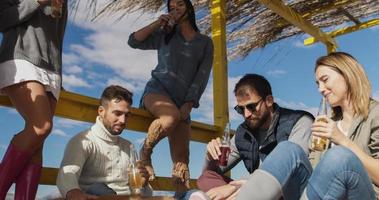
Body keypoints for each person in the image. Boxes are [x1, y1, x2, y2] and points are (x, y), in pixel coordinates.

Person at [236, 52, 379, 200]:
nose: (320, 89)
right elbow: (314, 171)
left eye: (325, 80)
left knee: (339, 156)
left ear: (348, 75)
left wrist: (343, 141)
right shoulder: (329, 121)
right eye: (318, 84)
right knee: (288, 148)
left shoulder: (375, 114)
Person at [128, 0, 213, 196]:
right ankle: (145, 153)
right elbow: (133, 41)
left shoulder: (205, 42)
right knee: (170, 118)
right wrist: (158, 23)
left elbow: (202, 75)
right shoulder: (164, 35)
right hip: (156, 92)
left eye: (180, 5)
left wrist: (189, 104)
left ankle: (181, 196)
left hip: (182, 102)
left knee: (182, 164)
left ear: (189, 8)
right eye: (171, 7)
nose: (175, 9)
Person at [196, 74, 314, 200]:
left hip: (286, 192)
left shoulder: (299, 122)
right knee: (206, 178)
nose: (246, 114)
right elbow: (214, 171)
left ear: (269, 101)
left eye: (251, 107)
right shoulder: (243, 133)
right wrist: (210, 157)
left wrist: (239, 187)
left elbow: (294, 170)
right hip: (251, 194)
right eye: (240, 109)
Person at [0, 0, 67, 199]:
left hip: (52, 69)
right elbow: (2, 19)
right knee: (42, 126)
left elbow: (58, 36)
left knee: (38, 145)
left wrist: (59, 72)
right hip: (21, 58)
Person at [56, 85, 153, 199]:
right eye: (117, 113)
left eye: (127, 115)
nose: (123, 120)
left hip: (127, 198)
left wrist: (144, 184)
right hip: (96, 197)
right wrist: (73, 192)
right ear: (101, 111)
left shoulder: (129, 146)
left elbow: (141, 192)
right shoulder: (83, 141)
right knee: (97, 188)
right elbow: (67, 174)